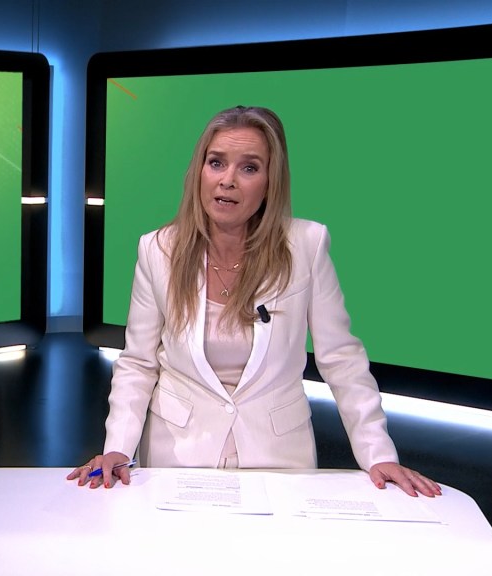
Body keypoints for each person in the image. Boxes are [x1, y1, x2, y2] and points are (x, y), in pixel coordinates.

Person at [68, 105, 440, 497]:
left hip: (279, 459)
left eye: (249, 168)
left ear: (270, 182)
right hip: (176, 456)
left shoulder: (306, 246)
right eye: (216, 163)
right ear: (199, 171)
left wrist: (378, 454)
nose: (227, 180)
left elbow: (341, 359)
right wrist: (117, 449)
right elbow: (139, 363)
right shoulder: (158, 249)